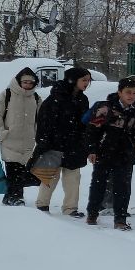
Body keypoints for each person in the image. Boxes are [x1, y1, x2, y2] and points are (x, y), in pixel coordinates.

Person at [84, 76, 135, 229]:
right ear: (119, 92)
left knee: (122, 187)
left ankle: (120, 219)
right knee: (99, 185)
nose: (131, 96)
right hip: (104, 152)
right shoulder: (105, 108)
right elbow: (92, 131)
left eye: (134, 93)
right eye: (128, 92)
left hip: (125, 155)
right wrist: (92, 149)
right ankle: (92, 213)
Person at [31, 67, 92, 216]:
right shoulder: (56, 97)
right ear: (73, 80)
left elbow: (83, 123)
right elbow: (43, 121)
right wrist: (44, 141)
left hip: (75, 144)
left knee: (73, 177)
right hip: (53, 143)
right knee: (50, 176)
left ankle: (71, 208)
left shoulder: (83, 99)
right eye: (84, 80)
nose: (87, 83)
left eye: (89, 80)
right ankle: (42, 205)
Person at [0, 67, 42, 207]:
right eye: (25, 82)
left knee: (30, 175)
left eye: (31, 83)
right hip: (10, 140)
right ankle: (15, 197)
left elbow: (41, 119)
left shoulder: (36, 98)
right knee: (14, 170)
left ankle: (9, 196)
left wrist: (39, 134)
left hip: (29, 142)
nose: (28, 85)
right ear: (19, 81)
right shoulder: (6, 95)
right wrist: (1, 132)